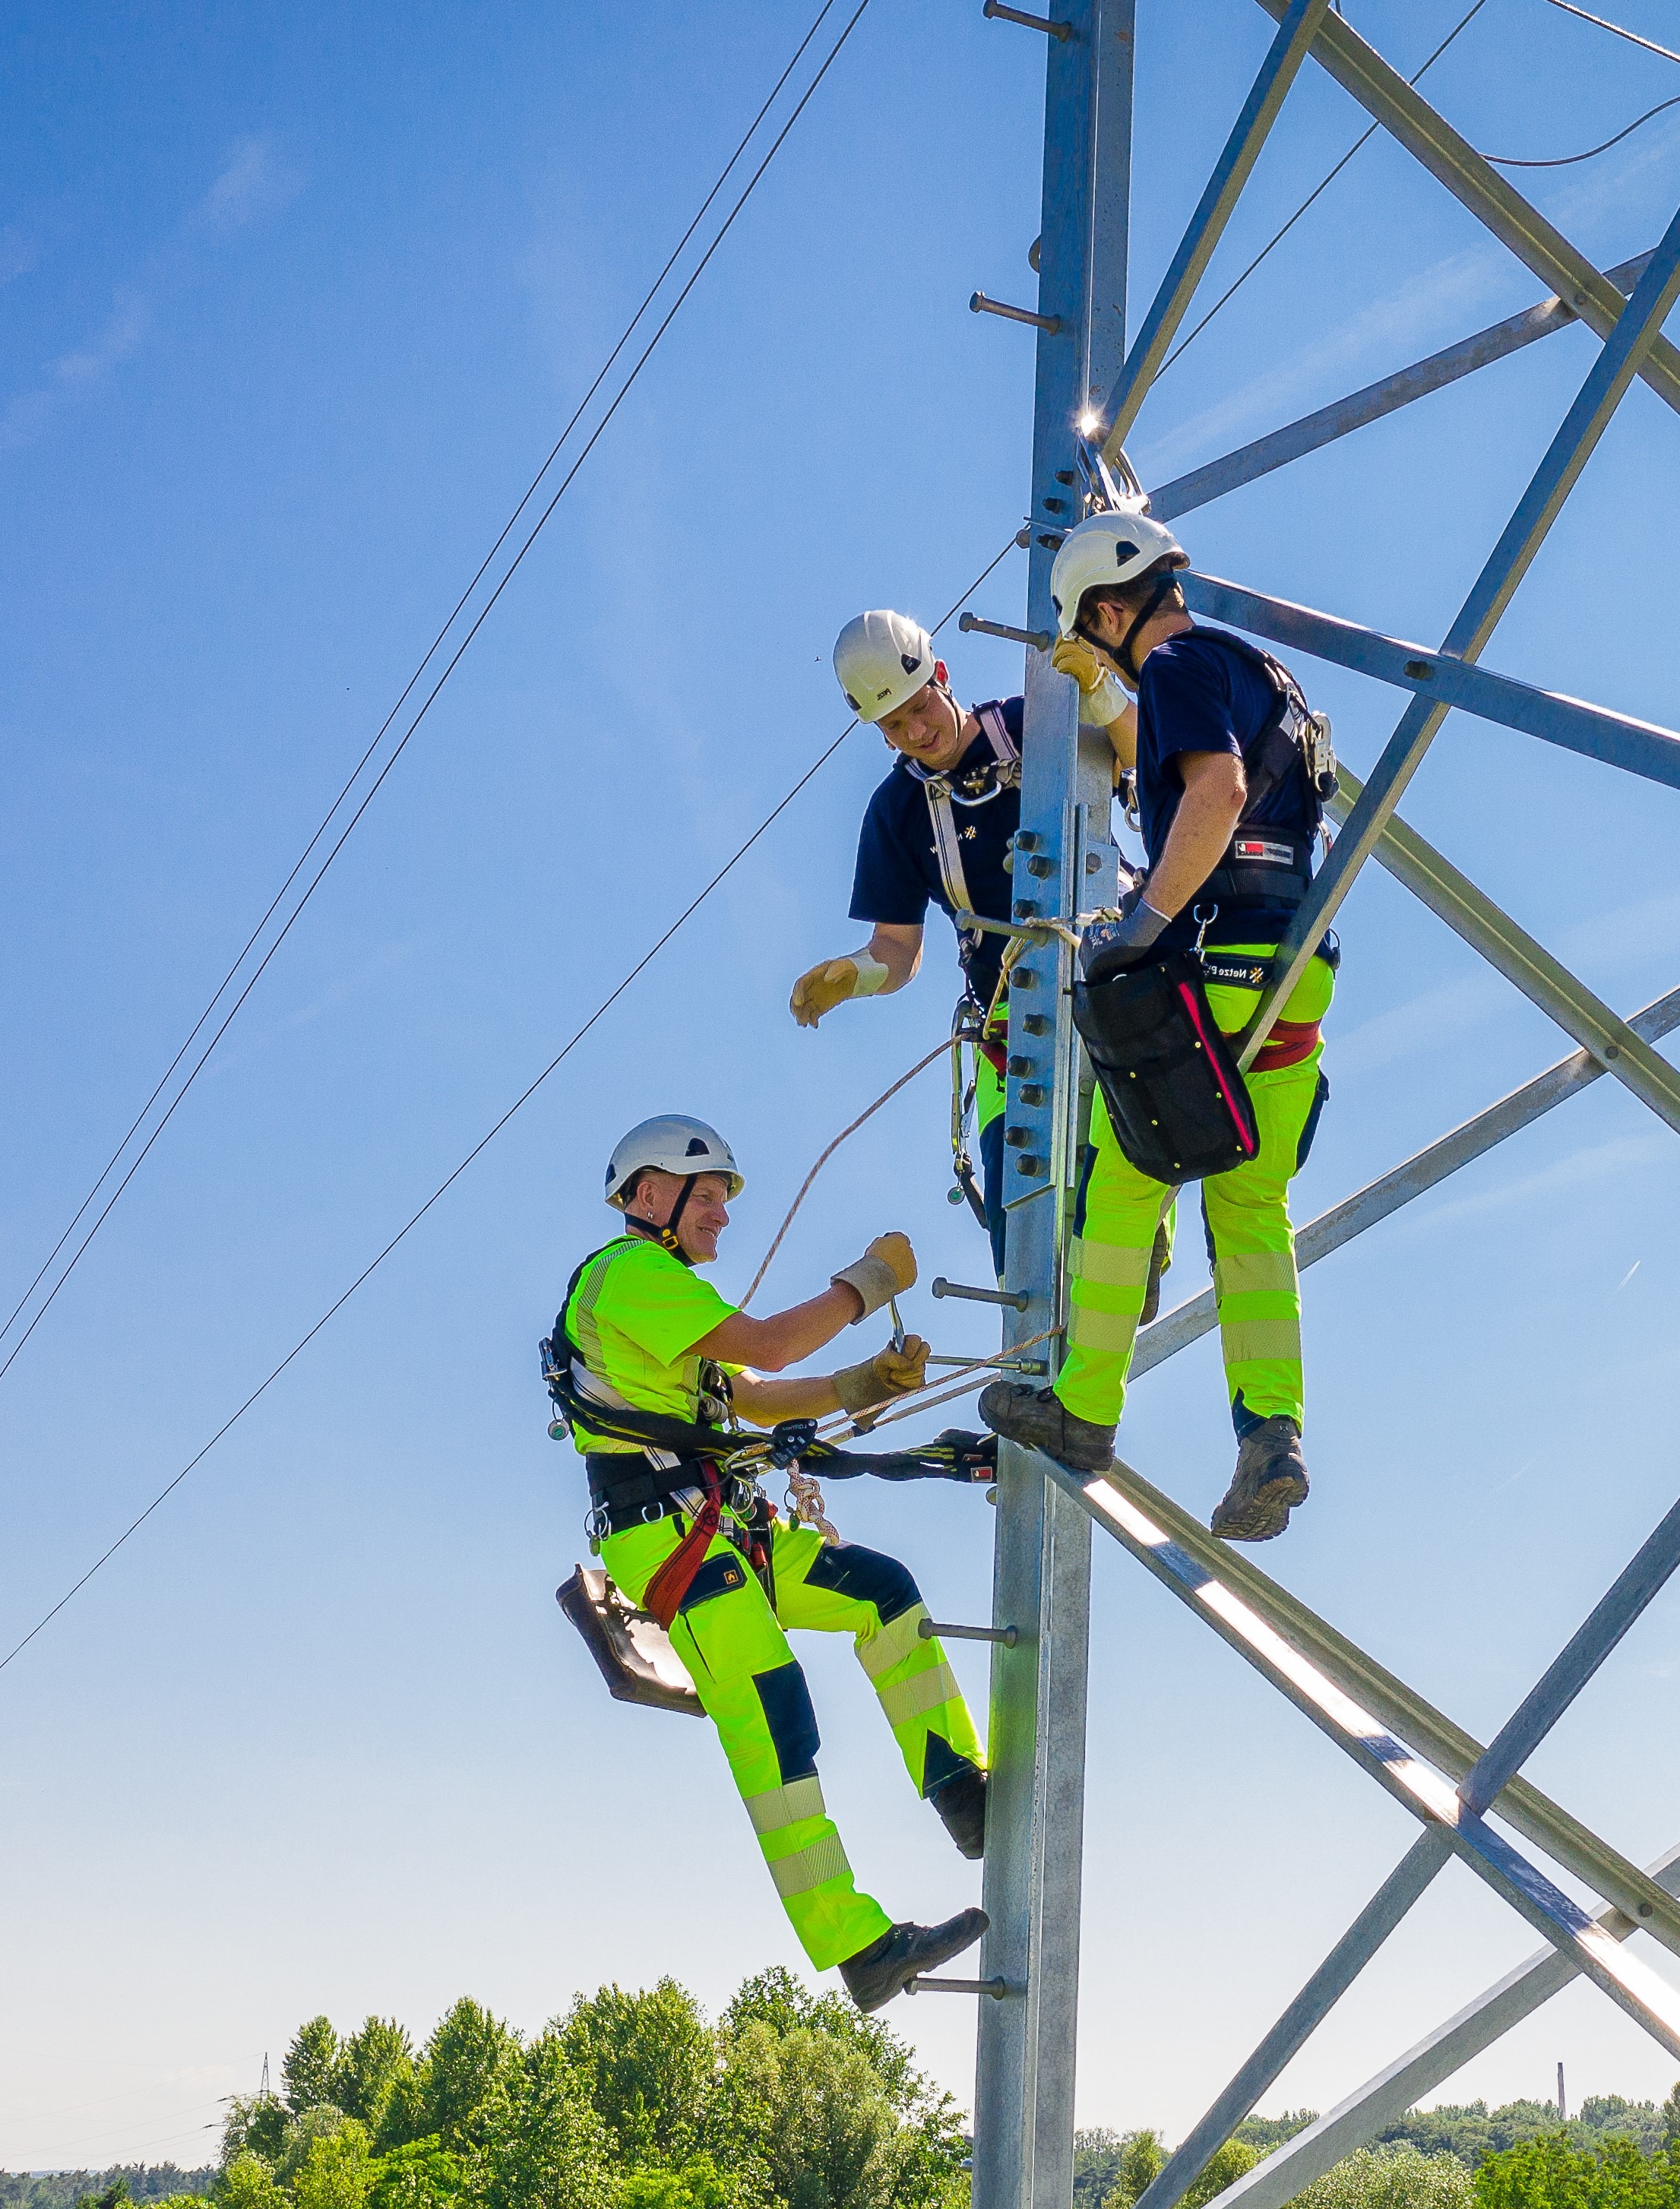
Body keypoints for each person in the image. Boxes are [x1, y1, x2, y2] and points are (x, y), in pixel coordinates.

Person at [548, 1116, 992, 2014]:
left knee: (881, 1591)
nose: (719, 1213)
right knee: (770, 1709)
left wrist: (857, 1386)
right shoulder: (626, 1275)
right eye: (702, 1195)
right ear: (645, 1197)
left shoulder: (665, 1293)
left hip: (720, 1524)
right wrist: (867, 1283)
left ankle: (959, 1787)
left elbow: (748, 1396)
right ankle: (856, 1942)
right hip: (668, 1536)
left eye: (719, 1199)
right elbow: (770, 1348)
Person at [980, 510, 1340, 1542]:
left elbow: (1216, 791)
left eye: (1092, 640)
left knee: (1124, 1174)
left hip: (1211, 965)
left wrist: (1139, 925)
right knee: (1249, 1202)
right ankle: (1271, 1431)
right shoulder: (1260, 672)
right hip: (1295, 974)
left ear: (1102, 610)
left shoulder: (1180, 663)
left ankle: (1084, 1409)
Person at [794, 610, 1134, 1265]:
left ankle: (1130, 1272)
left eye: (922, 708)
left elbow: (1143, 751)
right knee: (1021, 1227)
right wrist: (854, 975)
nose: (917, 732)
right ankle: (1034, 1354)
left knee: (1118, 1194)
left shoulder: (1042, 721)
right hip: (1010, 1022)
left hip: (1111, 981)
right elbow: (898, 950)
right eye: (895, 726)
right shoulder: (896, 813)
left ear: (941, 675)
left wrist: (1102, 692)